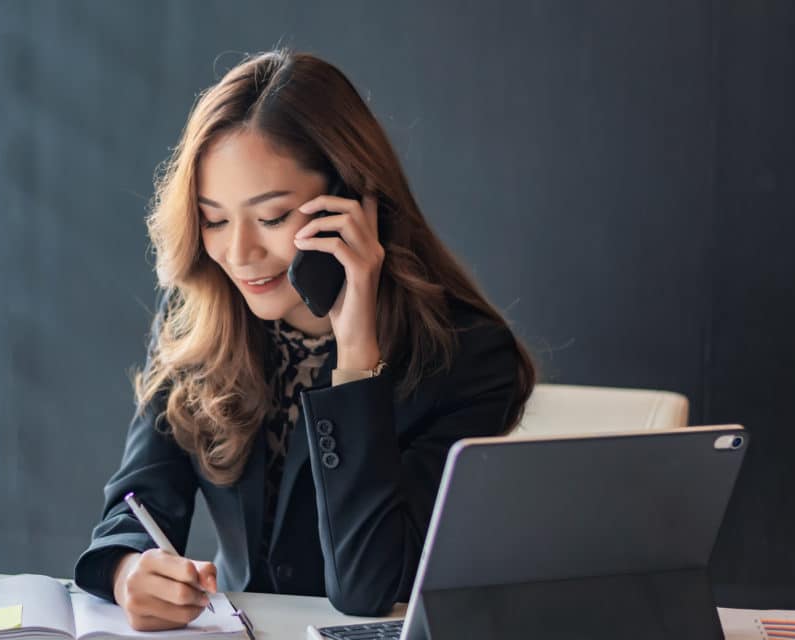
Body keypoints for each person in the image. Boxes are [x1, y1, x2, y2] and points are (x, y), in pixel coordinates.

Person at [73, 49, 536, 630]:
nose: (239, 255)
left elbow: (369, 588)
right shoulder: (201, 315)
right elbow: (140, 497)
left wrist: (356, 359)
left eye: (272, 218)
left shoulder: (466, 355)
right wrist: (125, 568)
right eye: (214, 219)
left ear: (354, 203)